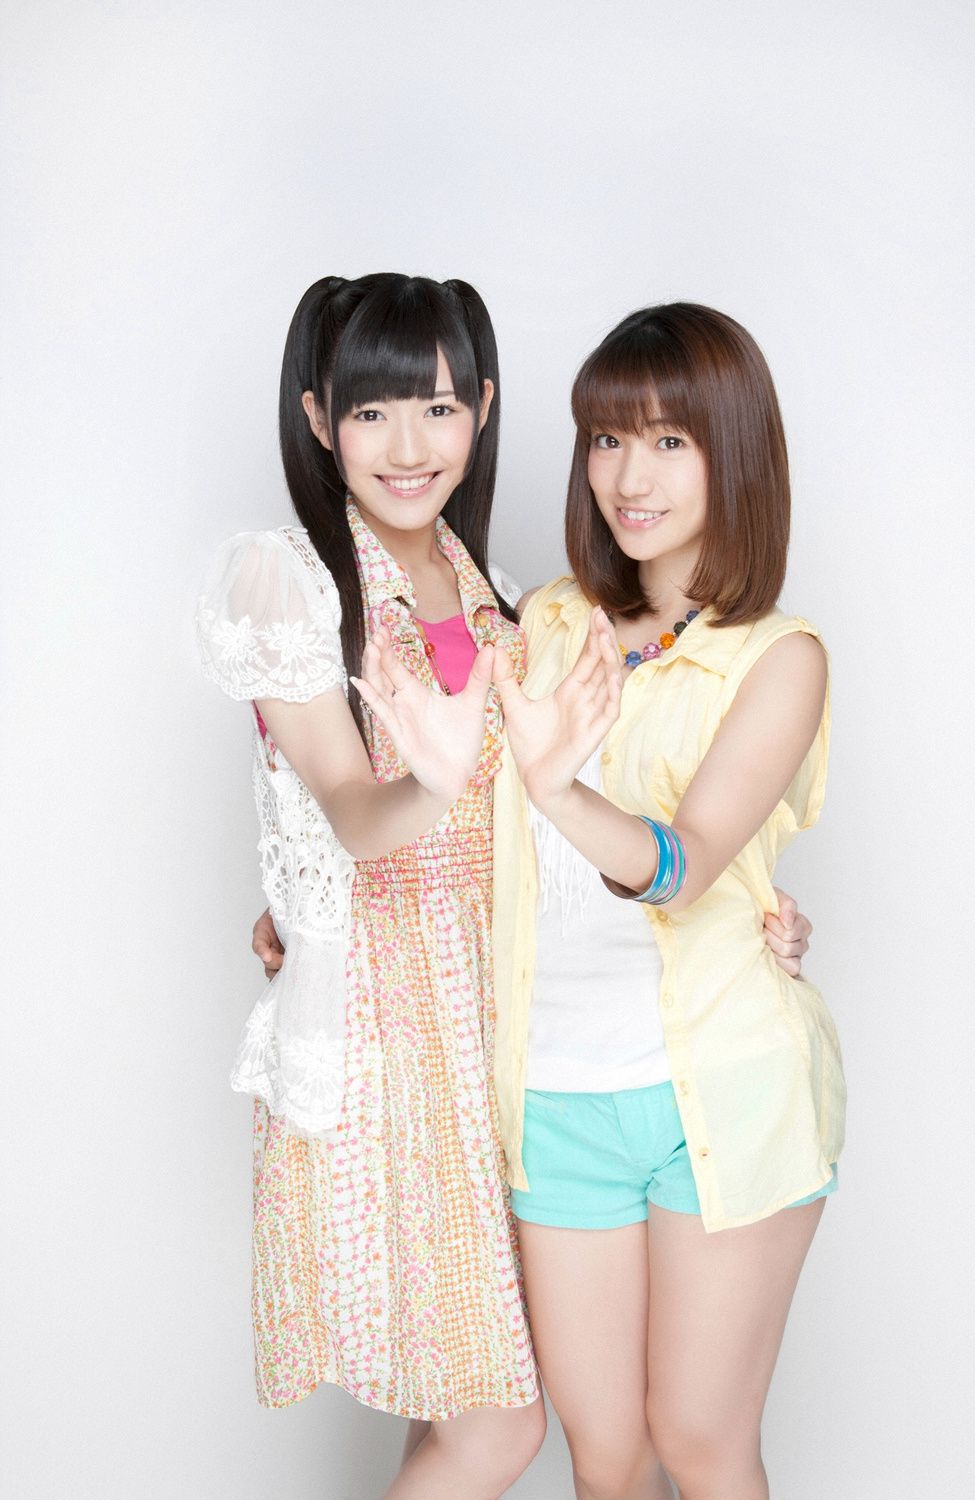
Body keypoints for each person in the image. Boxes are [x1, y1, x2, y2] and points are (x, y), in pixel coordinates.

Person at [481, 302, 847, 1500]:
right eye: (605, 439)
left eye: (668, 442)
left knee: (697, 1441)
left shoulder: (777, 657)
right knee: (607, 1455)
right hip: (553, 1095)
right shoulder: (543, 623)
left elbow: (683, 866)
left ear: (731, 450)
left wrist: (559, 789)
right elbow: (444, 815)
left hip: (721, 1092)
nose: (628, 478)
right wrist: (308, 913)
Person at [196, 273, 545, 1500]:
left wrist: (730, 893)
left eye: (439, 409)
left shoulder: (491, 591)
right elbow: (352, 812)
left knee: (457, 1409)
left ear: (482, 409)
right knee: (498, 1429)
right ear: (317, 417)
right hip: (394, 1045)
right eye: (372, 412)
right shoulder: (286, 581)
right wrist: (433, 784)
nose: (408, 447)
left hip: (498, 1028)